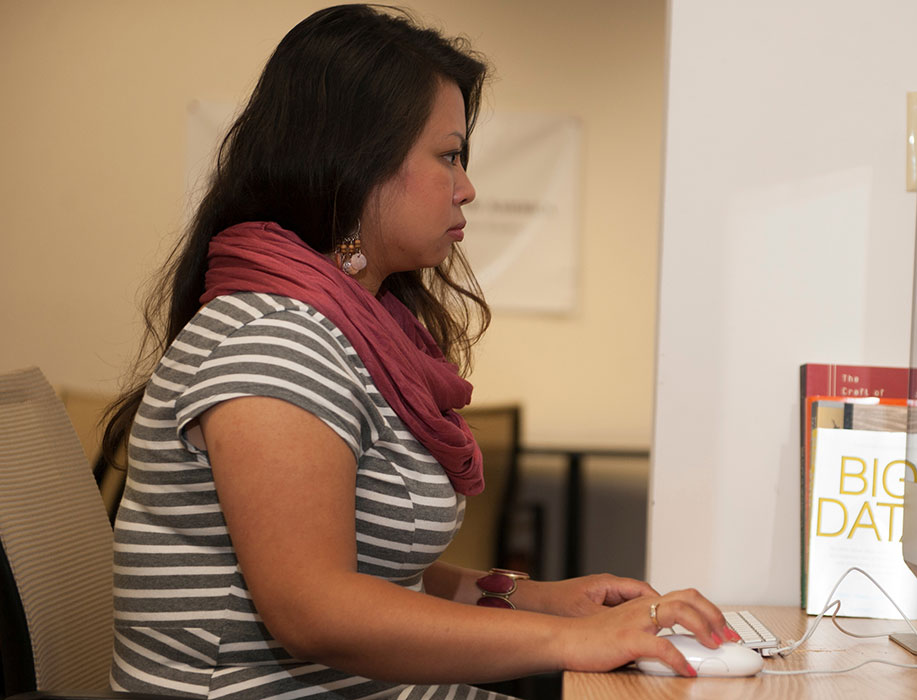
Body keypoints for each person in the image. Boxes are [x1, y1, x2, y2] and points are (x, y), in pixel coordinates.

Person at [101, 5, 736, 699]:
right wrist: (573, 640)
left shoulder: (350, 327)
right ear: (356, 159)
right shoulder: (274, 341)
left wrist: (534, 599)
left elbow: (374, 575)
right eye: (449, 155)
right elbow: (315, 612)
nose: (466, 187)